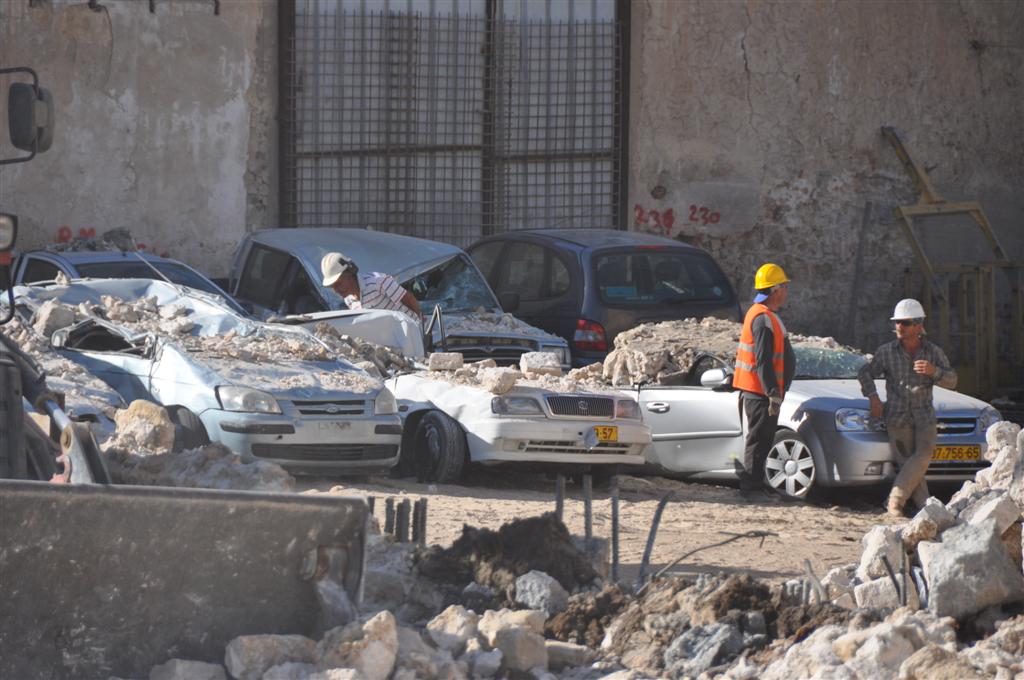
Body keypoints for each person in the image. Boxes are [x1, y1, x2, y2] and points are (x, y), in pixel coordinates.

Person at [857, 299, 957, 517]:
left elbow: (952, 380)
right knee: (912, 468)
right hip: (898, 418)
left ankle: (894, 500)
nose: (899, 327)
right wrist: (873, 397)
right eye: (897, 323)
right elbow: (865, 372)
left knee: (922, 456)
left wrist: (934, 372)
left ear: (919, 325)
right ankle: (925, 509)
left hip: (925, 418)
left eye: (905, 322)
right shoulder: (886, 352)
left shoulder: (933, 352)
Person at [732, 263, 796, 499]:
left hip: (763, 391)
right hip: (760, 392)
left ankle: (756, 483)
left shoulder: (767, 316)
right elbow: (763, 360)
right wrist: (772, 392)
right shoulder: (762, 318)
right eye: (784, 287)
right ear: (775, 289)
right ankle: (751, 488)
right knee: (758, 440)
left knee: (764, 439)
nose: (786, 292)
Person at [320, 251, 422, 321]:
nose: (336, 290)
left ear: (349, 275)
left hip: (412, 335)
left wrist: (421, 324)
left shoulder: (378, 281)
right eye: (332, 286)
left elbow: (409, 299)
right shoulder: (349, 300)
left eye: (338, 284)